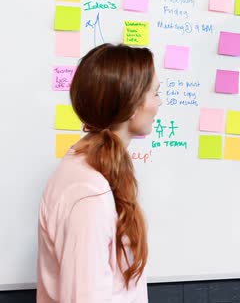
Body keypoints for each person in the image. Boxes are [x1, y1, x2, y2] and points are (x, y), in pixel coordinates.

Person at [37, 43, 161, 302]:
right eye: (155, 93)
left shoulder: (89, 172)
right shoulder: (88, 193)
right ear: (134, 103)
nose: (159, 103)